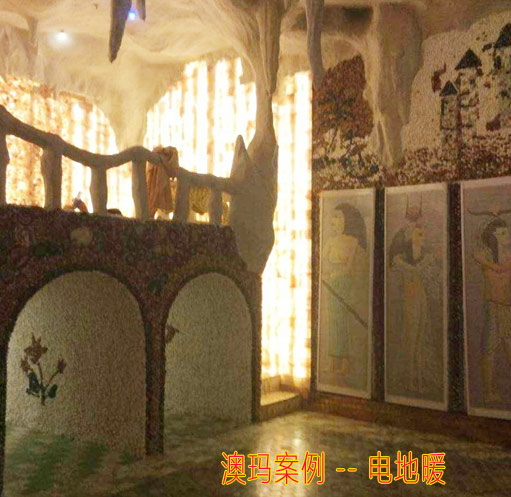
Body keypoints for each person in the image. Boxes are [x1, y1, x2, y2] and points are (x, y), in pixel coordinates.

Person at [389, 201, 440, 393]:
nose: (423, 237)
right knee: (411, 340)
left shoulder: (424, 257)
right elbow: (404, 266)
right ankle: (410, 381)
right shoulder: (402, 258)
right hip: (410, 298)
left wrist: (425, 263)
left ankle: (418, 381)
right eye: (419, 234)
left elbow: (428, 270)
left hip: (421, 298)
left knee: (420, 340)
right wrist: (420, 265)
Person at [322, 203, 369, 381]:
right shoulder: (330, 241)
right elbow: (322, 261)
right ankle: (332, 361)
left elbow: (348, 268)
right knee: (331, 322)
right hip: (330, 284)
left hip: (343, 284)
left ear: (346, 220)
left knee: (342, 322)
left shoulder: (352, 241)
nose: (335, 221)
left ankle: (344, 363)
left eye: (339, 217)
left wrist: (333, 275)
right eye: (333, 217)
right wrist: (326, 274)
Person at [473, 217, 511, 403]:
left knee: (509, 346)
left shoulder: (508, 255)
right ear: (493, 237)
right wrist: (492, 219)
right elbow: (477, 249)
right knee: (489, 348)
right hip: (492, 307)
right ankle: (488, 392)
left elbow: (501, 269)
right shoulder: (485, 254)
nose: (508, 236)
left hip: (506, 306)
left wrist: (493, 265)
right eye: (502, 233)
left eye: (507, 232)